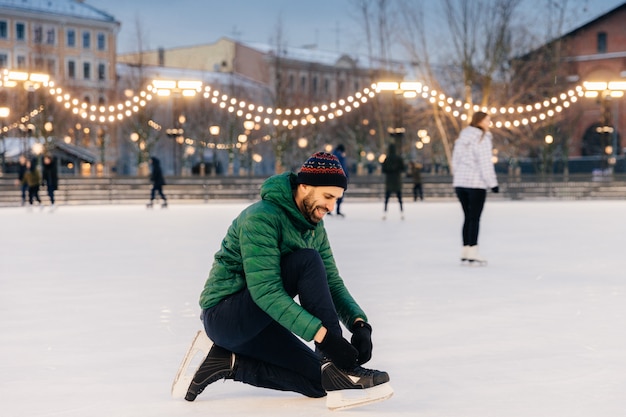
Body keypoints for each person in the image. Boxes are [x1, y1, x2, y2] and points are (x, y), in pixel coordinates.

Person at [185, 152, 391, 410]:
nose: (331, 206)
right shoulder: (260, 217)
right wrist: (327, 339)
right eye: (327, 197)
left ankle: (229, 363)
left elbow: (332, 282)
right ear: (304, 186)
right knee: (307, 260)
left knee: (319, 383)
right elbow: (266, 291)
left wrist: (360, 324)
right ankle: (338, 366)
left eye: (336, 199)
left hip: (262, 321)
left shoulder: (314, 226)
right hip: (225, 317)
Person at [452, 111, 499, 264]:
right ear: (479, 121)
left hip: (460, 183)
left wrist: (457, 176)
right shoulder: (482, 138)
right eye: (487, 120)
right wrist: (492, 183)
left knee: (467, 217)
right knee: (474, 218)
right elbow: (485, 162)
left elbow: (455, 160)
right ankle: (473, 250)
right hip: (475, 183)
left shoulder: (462, 137)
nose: (489, 123)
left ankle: (465, 250)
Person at [381, 143, 405, 220]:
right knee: (400, 198)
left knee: (387, 198)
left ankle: (385, 213)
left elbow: (383, 170)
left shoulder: (387, 159)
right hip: (397, 180)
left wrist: (390, 170)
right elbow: (403, 168)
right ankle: (402, 213)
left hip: (389, 181)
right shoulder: (399, 158)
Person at [331, 144, 348, 216]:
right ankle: (337, 210)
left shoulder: (333, 155)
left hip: (334, 177)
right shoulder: (340, 156)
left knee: (333, 194)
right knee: (339, 194)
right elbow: (343, 167)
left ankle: (330, 210)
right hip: (340, 177)